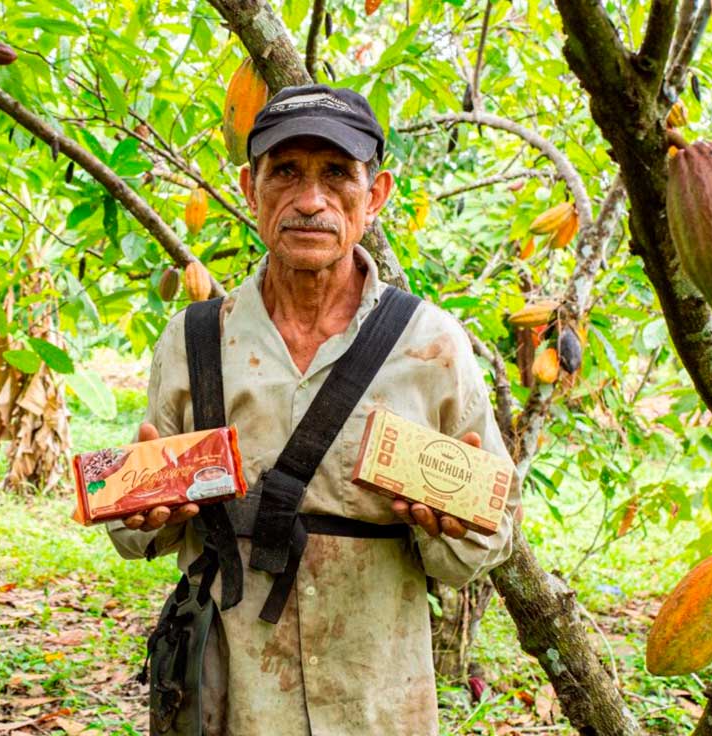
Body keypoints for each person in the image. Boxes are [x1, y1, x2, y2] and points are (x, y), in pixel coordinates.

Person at [108, 84, 522, 735]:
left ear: (376, 194)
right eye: (286, 173)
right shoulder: (194, 340)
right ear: (250, 187)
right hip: (230, 687)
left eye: (336, 175)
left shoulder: (432, 344)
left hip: (374, 688)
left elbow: (492, 531)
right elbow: (136, 529)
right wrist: (142, 510)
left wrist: (456, 524)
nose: (310, 201)